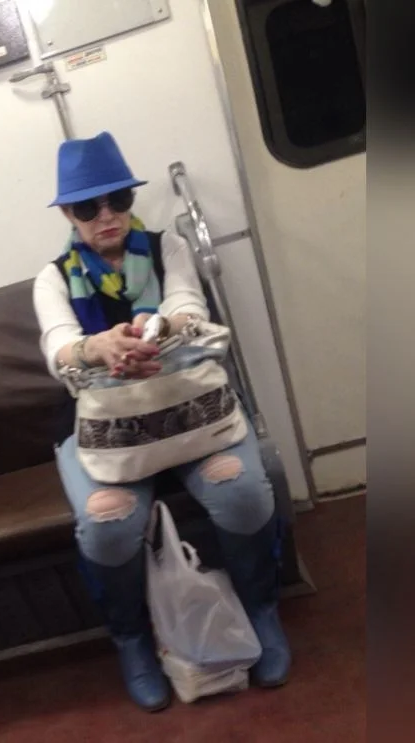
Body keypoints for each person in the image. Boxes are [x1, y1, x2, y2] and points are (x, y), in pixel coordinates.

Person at [33, 132, 291, 712]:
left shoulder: (167, 247)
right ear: (68, 215)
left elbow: (186, 305)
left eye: (118, 199)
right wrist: (98, 348)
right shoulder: (53, 279)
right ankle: (132, 640)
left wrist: (160, 330)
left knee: (242, 491)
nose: (106, 216)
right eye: (88, 207)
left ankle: (261, 611)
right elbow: (58, 348)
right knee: (107, 522)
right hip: (110, 429)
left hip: (189, 410)